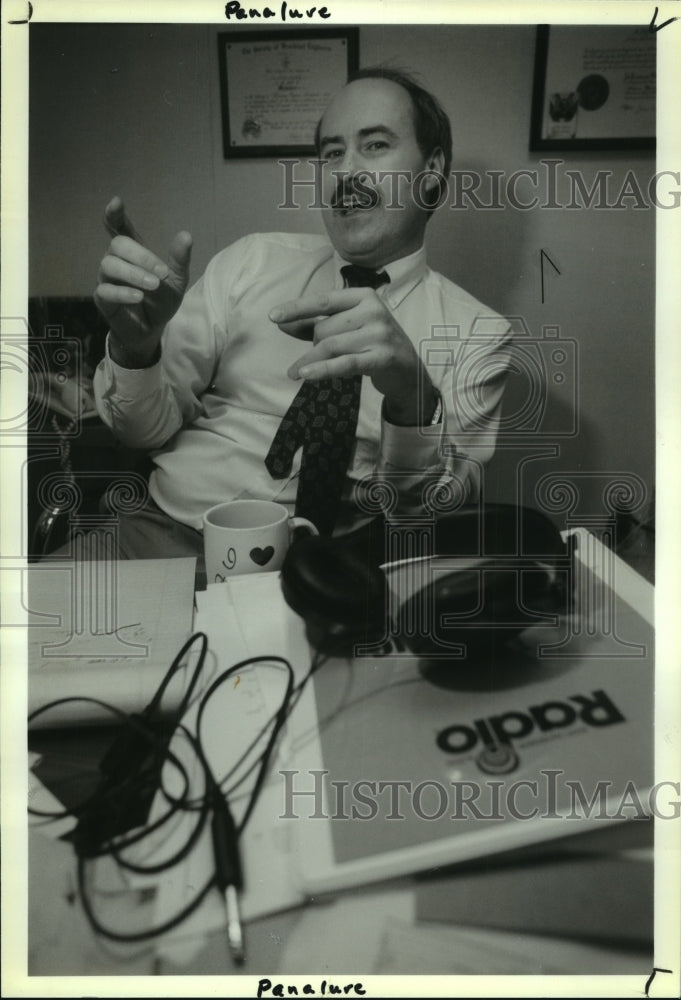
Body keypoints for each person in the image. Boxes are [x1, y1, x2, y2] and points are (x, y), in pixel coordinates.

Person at [91, 67, 513, 564]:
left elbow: (423, 518)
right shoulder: (250, 263)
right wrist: (136, 352)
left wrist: (411, 399)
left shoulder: (479, 337)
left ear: (433, 167)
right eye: (332, 154)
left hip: (322, 581)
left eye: (375, 146)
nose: (347, 172)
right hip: (156, 536)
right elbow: (141, 433)